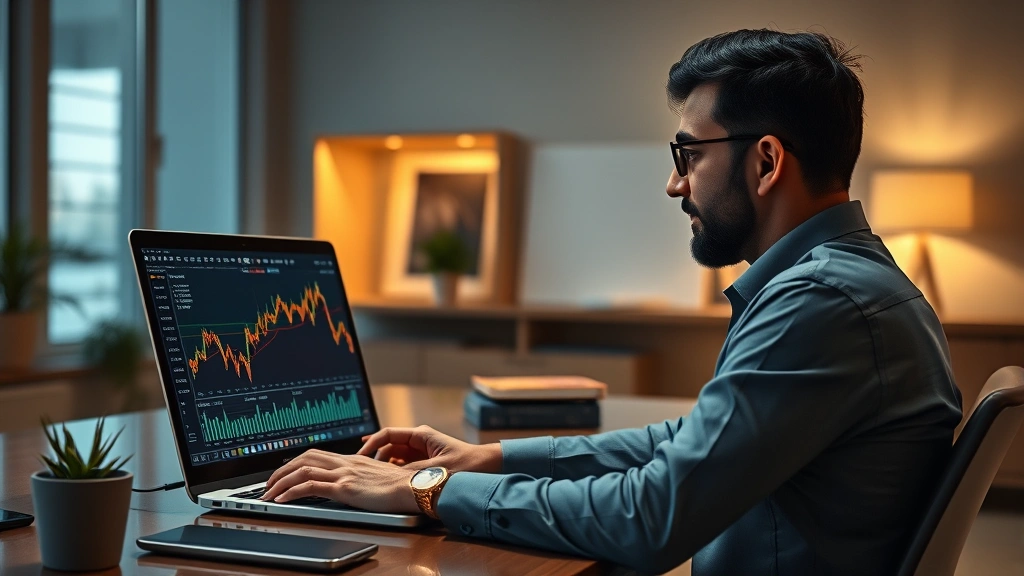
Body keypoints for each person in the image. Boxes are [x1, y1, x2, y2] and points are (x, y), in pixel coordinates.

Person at [262, 29, 963, 575]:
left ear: (767, 161)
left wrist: (427, 490)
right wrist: (493, 458)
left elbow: (652, 518)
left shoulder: (821, 302)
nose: (673, 184)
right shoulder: (852, 283)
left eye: (688, 155)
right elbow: (692, 445)